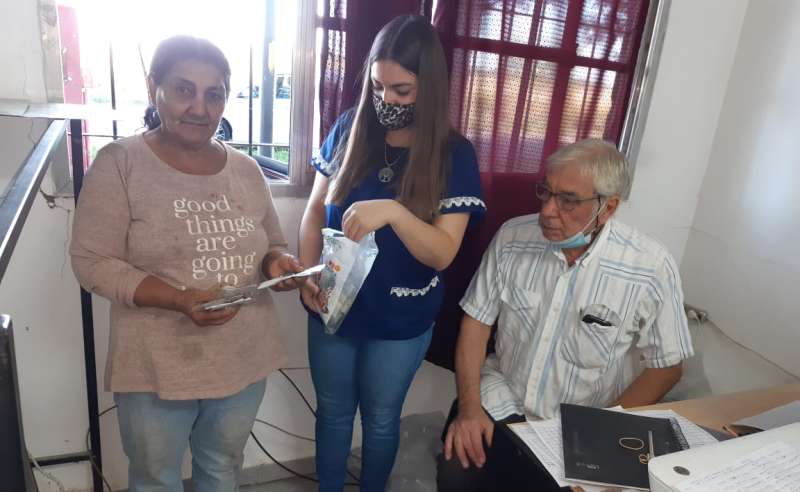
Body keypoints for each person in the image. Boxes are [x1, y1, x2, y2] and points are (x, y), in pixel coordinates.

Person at [70, 35, 306, 492]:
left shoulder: (245, 170)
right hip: (157, 363)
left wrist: (278, 264)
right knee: (155, 479)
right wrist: (179, 300)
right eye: (183, 89)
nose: (200, 108)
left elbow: (271, 245)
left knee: (222, 468)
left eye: (213, 94)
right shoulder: (120, 163)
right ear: (153, 87)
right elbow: (92, 262)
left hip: (241, 355)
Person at [437, 139, 695, 492]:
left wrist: (599, 432)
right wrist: (469, 407)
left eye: (568, 200)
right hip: (503, 397)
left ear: (608, 207)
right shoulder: (513, 237)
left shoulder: (649, 266)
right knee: (458, 468)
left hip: (583, 421)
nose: (547, 211)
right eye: (546, 191)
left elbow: (667, 366)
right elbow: (476, 323)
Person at [298, 15, 486, 492]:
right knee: (333, 413)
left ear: (431, 87)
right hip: (333, 302)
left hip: (400, 313)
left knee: (381, 420)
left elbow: (442, 253)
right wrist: (305, 273)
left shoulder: (454, 154)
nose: (387, 101)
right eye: (378, 87)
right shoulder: (350, 127)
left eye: (402, 90)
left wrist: (396, 213)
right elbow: (315, 209)